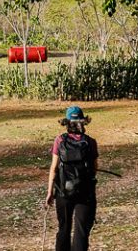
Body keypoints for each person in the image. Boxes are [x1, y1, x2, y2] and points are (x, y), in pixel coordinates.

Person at [45, 106, 98, 251]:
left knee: (64, 229)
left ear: (66, 122)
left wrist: (50, 192)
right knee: (81, 232)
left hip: (63, 192)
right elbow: (94, 169)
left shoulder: (59, 141)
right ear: (84, 122)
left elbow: (54, 168)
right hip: (85, 193)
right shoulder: (91, 142)